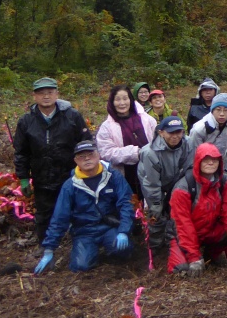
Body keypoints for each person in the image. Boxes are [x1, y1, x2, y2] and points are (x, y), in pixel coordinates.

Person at [33, 141, 134, 274]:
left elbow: (126, 203)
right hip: (85, 231)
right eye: (81, 156)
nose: (87, 158)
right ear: (75, 161)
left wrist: (124, 231)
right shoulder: (70, 186)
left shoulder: (113, 177)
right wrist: (49, 249)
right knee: (81, 266)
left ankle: (112, 249)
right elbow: (60, 217)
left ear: (98, 155)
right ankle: (90, 251)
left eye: (90, 154)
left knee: (123, 250)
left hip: (110, 226)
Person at [14, 77, 92, 244]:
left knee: (76, 210)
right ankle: (46, 246)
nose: (46, 96)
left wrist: (88, 171)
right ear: (34, 96)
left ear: (57, 94)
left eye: (50, 92)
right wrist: (24, 178)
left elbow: (86, 144)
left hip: (70, 175)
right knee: (44, 214)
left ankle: (78, 245)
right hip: (42, 176)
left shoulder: (72, 116)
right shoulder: (26, 121)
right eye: (41, 93)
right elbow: (21, 152)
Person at [168, 143, 227, 276]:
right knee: (181, 271)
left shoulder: (224, 183)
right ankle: (193, 254)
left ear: (219, 162)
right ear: (198, 161)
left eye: (214, 159)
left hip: (210, 229)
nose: (211, 162)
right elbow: (183, 225)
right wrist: (193, 256)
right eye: (206, 159)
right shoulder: (183, 188)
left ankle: (212, 254)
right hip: (183, 234)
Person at [137, 116, 195, 250]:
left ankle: (173, 242)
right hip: (152, 178)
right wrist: (157, 205)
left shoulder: (189, 143)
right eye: (170, 132)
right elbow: (151, 184)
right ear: (161, 132)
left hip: (175, 178)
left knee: (175, 209)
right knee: (157, 214)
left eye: (178, 132)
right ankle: (155, 246)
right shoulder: (149, 152)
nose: (175, 136)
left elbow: (189, 169)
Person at [95, 84, 158, 197]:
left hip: (149, 169)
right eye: (118, 99)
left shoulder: (147, 120)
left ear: (131, 99)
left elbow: (158, 142)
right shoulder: (107, 127)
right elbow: (106, 152)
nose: (122, 103)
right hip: (124, 173)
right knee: (130, 202)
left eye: (125, 98)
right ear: (112, 102)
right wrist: (135, 153)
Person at [189, 93, 227, 176]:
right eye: (218, 109)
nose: (222, 114)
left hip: (222, 163)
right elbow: (194, 153)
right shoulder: (199, 129)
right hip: (203, 165)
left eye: (226, 110)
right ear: (212, 111)